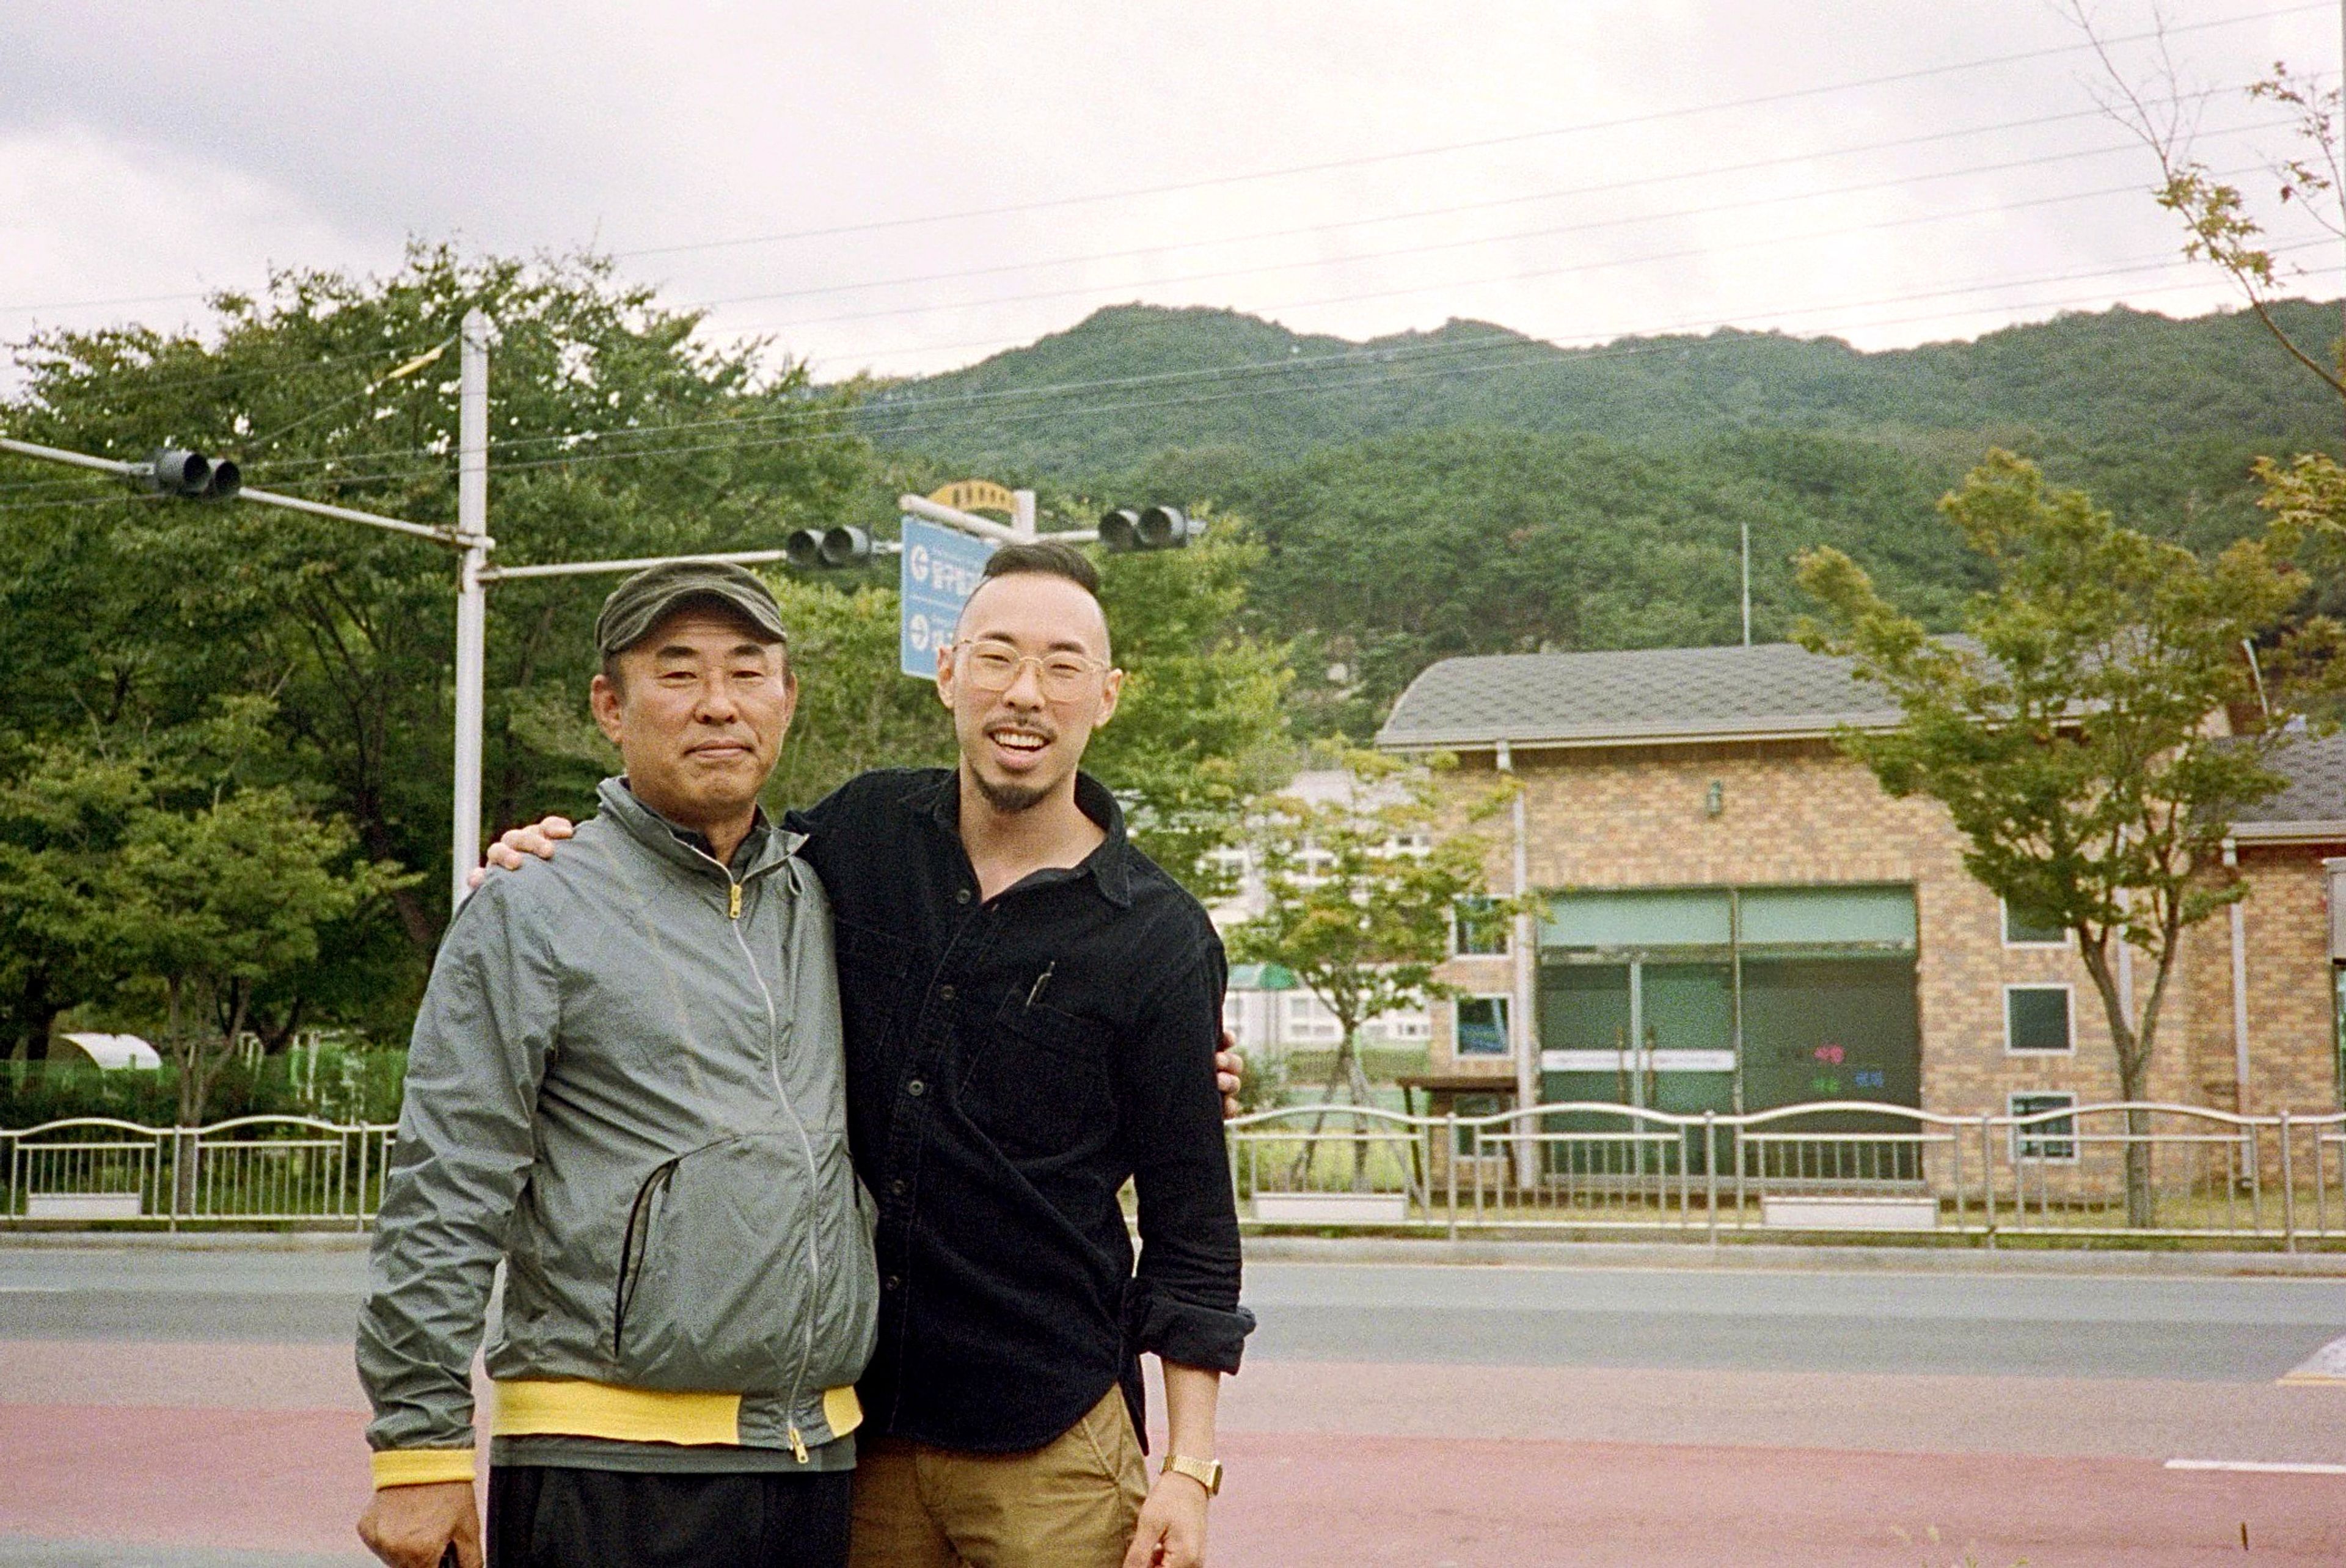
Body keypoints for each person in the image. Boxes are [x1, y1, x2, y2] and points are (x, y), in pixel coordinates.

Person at [488, 541, 1251, 1568]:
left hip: (1052, 1433)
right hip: (857, 1431)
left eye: (1064, 666)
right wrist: (568, 855)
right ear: (948, 674)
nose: (1026, 694)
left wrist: (1190, 1469)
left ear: (1105, 697)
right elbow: (709, 880)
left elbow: (1192, 1229)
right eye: (997, 658)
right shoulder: (856, 836)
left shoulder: (1160, 937)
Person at [355, 563, 874, 1568]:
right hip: (606, 1467)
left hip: (813, 1457)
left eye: (747, 671)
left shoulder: (824, 897)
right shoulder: (533, 905)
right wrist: (419, 1448)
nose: (718, 704)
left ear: (787, 697)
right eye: (676, 674)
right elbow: (447, 1182)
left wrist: (1176, 1065)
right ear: (610, 705)